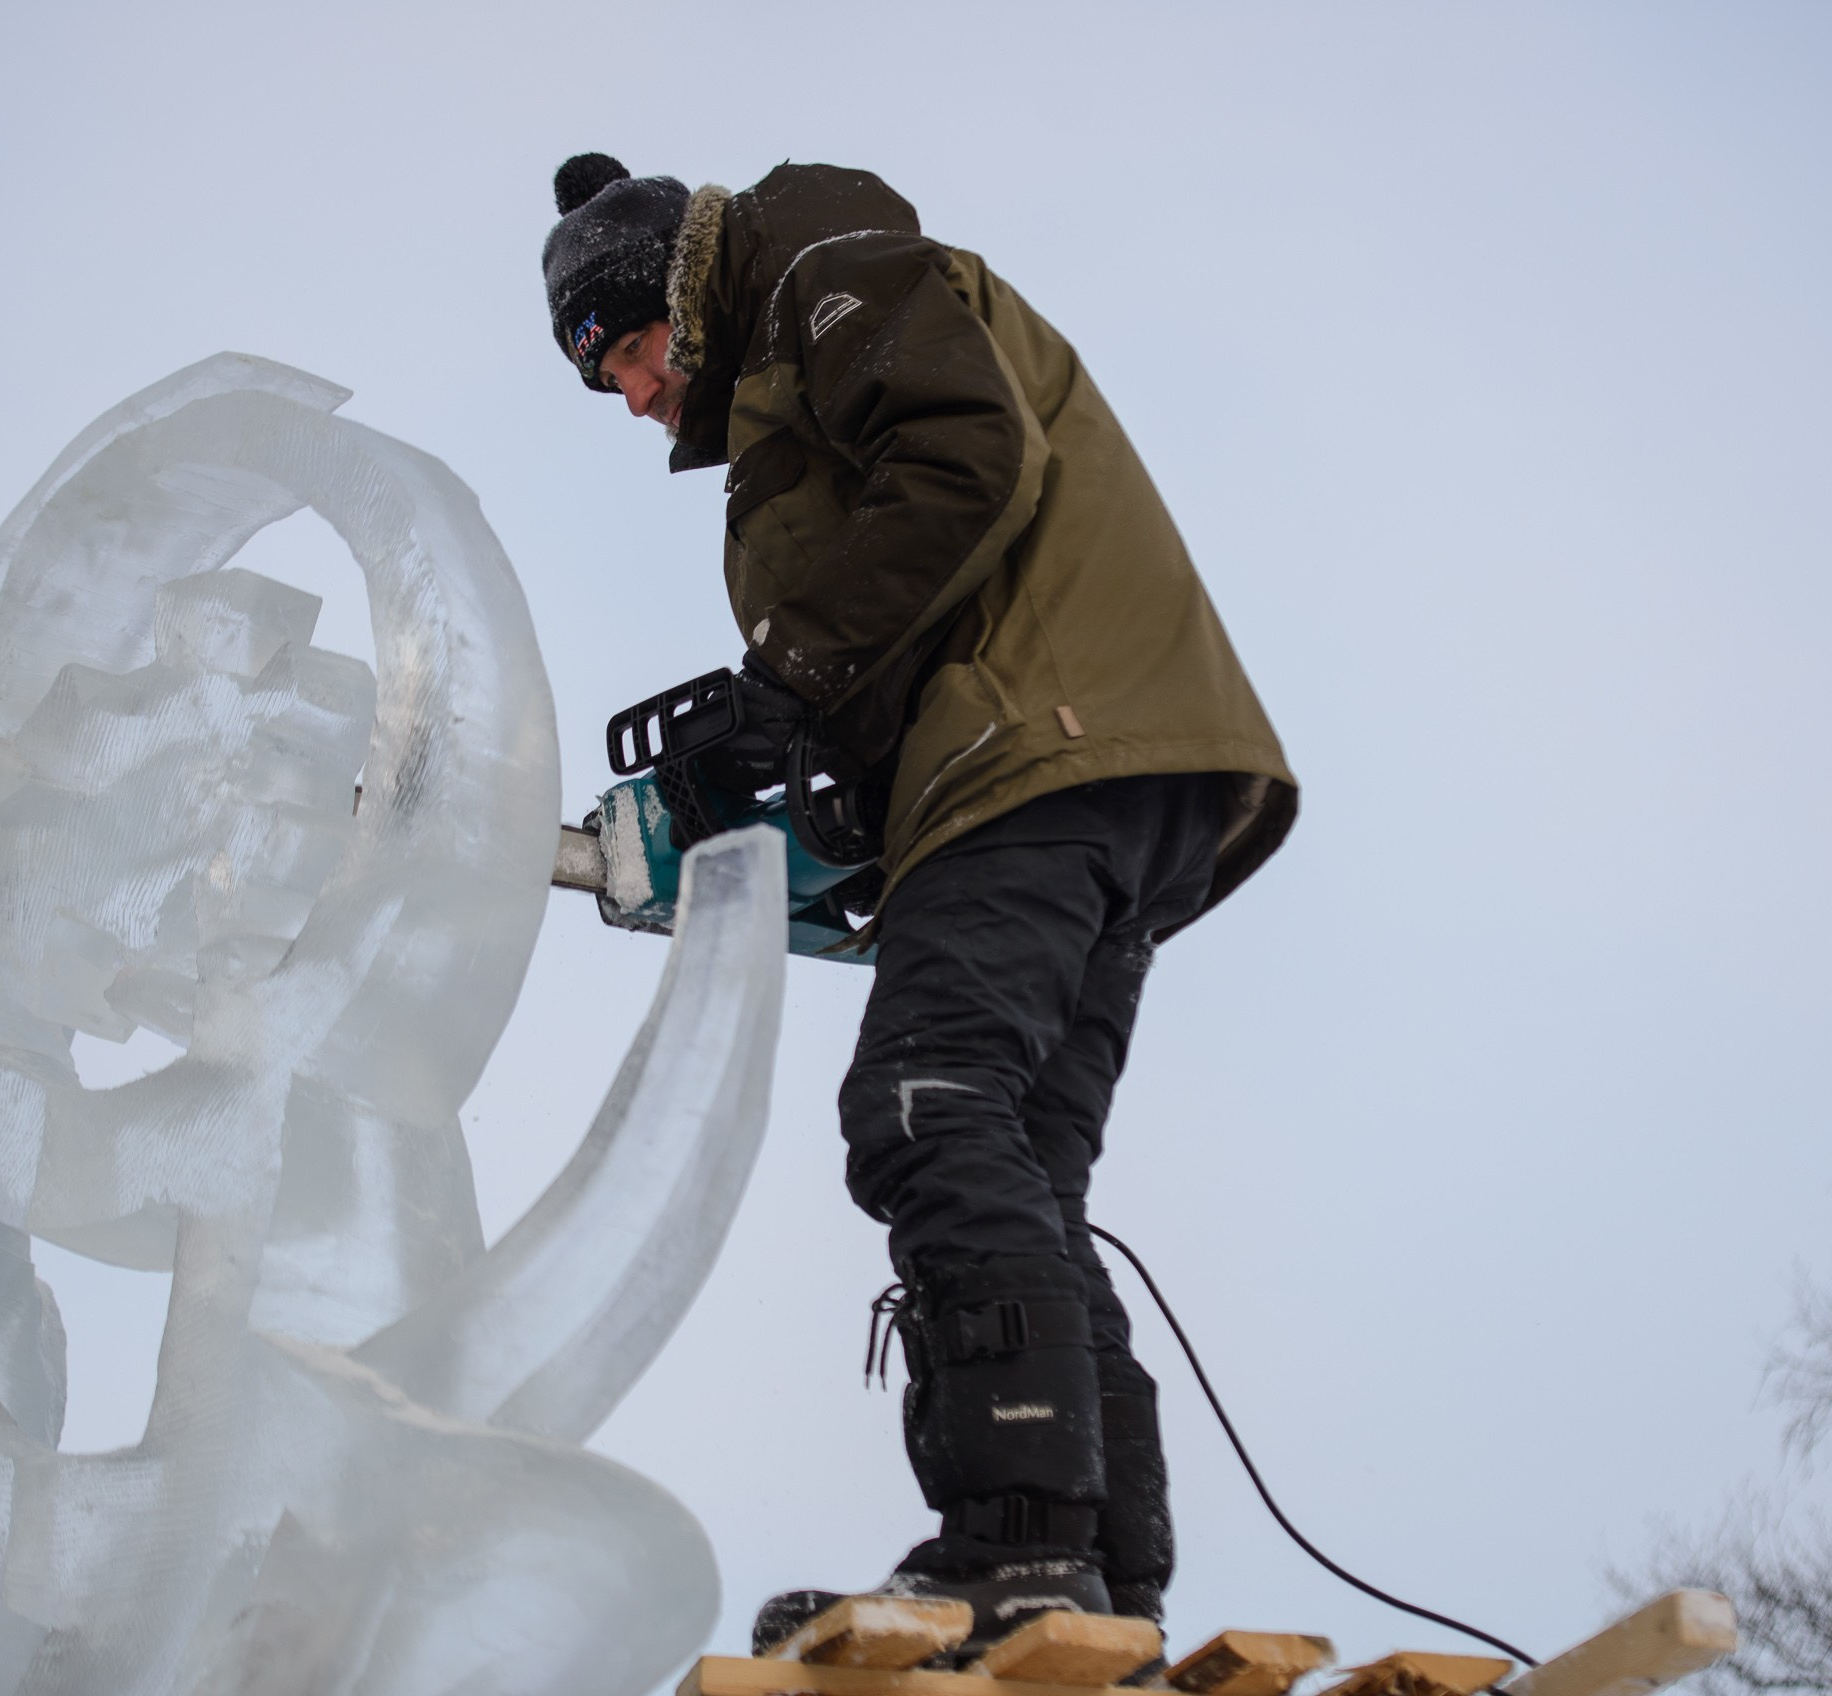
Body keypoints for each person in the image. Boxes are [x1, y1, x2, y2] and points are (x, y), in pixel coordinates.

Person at [539, 153, 1297, 1657]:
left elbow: (965, 463)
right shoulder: (800, 343)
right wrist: (796, 782)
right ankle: (1100, 1583)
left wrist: (786, 686)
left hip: (1044, 748)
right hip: (1107, 766)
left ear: (674, 299)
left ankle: (1012, 1543)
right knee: (1013, 1160)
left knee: (923, 1105)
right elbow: (911, 592)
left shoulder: (833, 273)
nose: (628, 396)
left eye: (623, 354)